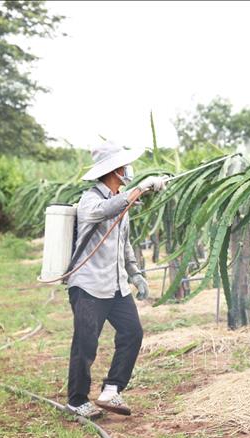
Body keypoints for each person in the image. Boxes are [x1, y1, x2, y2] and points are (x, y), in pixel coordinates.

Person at [65, 141, 166, 419]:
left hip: (116, 285)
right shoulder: (90, 199)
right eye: (124, 165)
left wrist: (135, 273)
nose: (128, 169)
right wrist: (140, 189)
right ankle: (76, 400)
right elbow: (101, 211)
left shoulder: (121, 199)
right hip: (88, 285)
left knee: (132, 332)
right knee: (86, 343)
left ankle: (111, 388)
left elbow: (125, 243)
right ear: (116, 169)